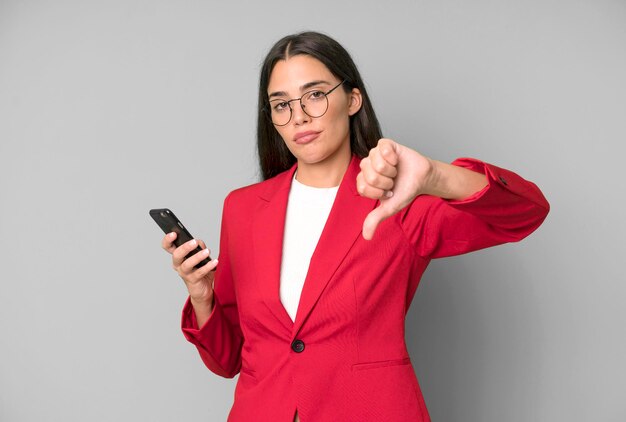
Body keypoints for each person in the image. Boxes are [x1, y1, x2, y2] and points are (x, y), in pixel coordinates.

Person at [160, 31, 549, 422]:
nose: (299, 116)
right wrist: (203, 297)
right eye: (281, 104)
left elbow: (527, 211)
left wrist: (435, 176)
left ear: (352, 99)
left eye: (314, 95)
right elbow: (227, 361)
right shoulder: (242, 209)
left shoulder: (397, 200)